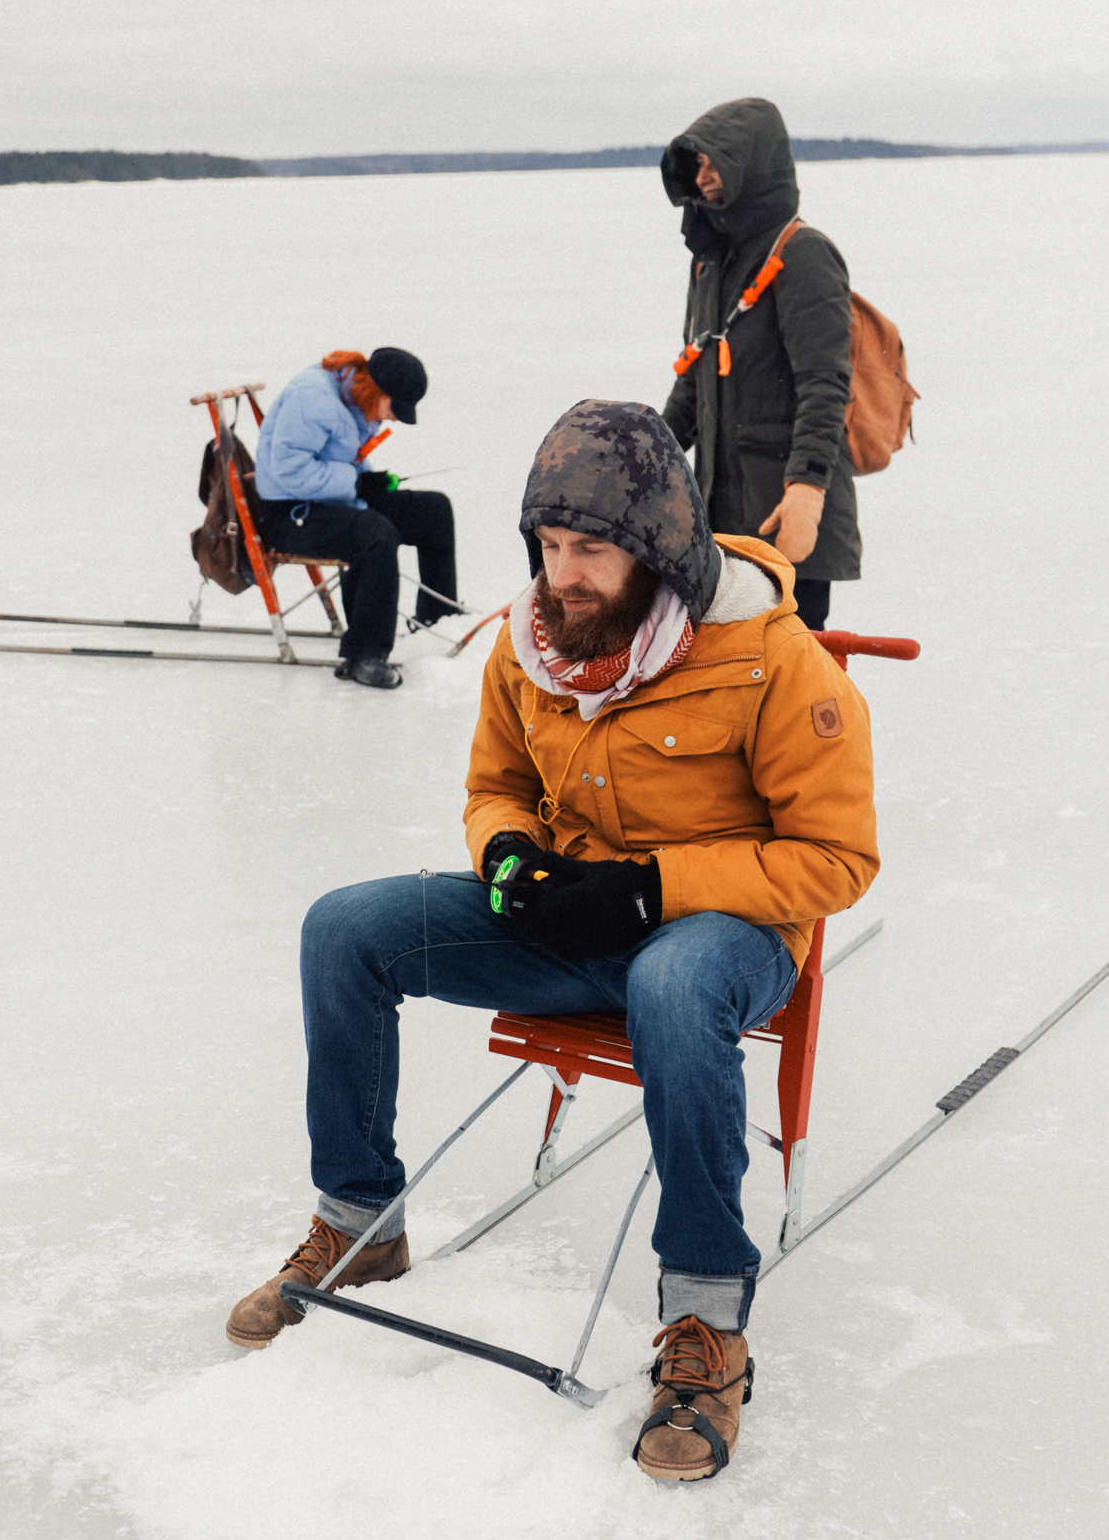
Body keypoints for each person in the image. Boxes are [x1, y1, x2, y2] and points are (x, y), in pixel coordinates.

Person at [227, 399, 878, 1482]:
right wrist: (510, 859)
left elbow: (834, 860)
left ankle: (708, 1325)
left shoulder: (770, 659)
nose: (563, 574)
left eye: (592, 551)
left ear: (659, 550)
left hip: (729, 936)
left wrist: (646, 890)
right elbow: (496, 786)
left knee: (672, 982)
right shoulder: (532, 645)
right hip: (569, 912)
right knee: (344, 929)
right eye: (549, 545)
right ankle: (361, 1218)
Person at [660, 97, 857, 633]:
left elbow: (825, 385)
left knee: (794, 681)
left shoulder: (804, 254)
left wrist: (807, 490)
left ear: (752, 164)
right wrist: (644, 455)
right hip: (720, 517)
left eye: (712, 163)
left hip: (783, 514)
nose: (701, 178)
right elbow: (693, 382)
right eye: (694, 165)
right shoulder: (710, 262)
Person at [254, 347, 458, 690]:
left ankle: (436, 621)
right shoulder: (313, 398)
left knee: (433, 511)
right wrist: (357, 483)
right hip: (289, 514)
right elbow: (290, 471)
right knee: (374, 534)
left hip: (327, 499)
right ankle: (364, 655)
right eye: (395, 408)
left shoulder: (353, 398)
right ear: (376, 391)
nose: (394, 418)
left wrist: (367, 481)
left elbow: (340, 457)